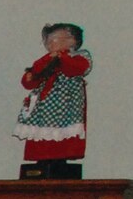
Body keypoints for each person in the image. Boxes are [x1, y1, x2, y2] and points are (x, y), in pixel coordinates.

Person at [15, 22, 91, 177]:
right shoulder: (46, 60)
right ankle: (42, 160)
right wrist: (32, 74)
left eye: (54, 39)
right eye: (47, 40)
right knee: (40, 132)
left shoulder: (79, 56)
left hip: (65, 104)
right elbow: (32, 79)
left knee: (61, 133)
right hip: (43, 105)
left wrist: (61, 57)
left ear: (72, 40)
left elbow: (76, 69)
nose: (49, 43)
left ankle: (58, 160)